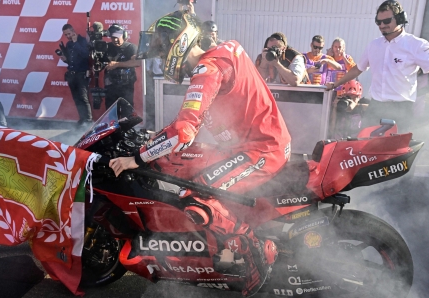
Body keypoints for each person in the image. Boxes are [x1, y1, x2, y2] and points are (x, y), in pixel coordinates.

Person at [110, 10, 290, 297]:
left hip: (262, 150)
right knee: (182, 163)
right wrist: (150, 142)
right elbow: (188, 123)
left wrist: (137, 158)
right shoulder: (222, 51)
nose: (159, 56)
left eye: (161, 48)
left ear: (178, 42)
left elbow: (183, 130)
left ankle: (256, 255)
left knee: (197, 197)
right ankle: (224, 256)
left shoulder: (208, 70)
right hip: (249, 144)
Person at [326, 0, 429, 132]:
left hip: (401, 110)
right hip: (375, 107)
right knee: (366, 153)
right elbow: (358, 69)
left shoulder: (416, 45)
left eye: (386, 21)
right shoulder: (374, 45)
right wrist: (336, 84)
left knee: (395, 160)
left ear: (400, 19)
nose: (382, 25)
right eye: (378, 22)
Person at [59, 24, 92, 128]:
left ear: (73, 31)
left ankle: (88, 121)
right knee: (76, 98)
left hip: (81, 74)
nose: (68, 36)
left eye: (69, 33)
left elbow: (86, 55)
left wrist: (75, 42)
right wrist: (65, 60)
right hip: (72, 74)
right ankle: (82, 118)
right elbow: (72, 61)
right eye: (65, 35)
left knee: (83, 98)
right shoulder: (68, 44)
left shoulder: (82, 41)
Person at [103, 24, 141, 109]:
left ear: (124, 35)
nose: (115, 40)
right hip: (110, 86)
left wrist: (117, 64)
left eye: (117, 37)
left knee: (127, 112)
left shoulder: (131, 47)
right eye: (113, 37)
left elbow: (137, 62)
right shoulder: (107, 47)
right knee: (111, 111)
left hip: (126, 86)